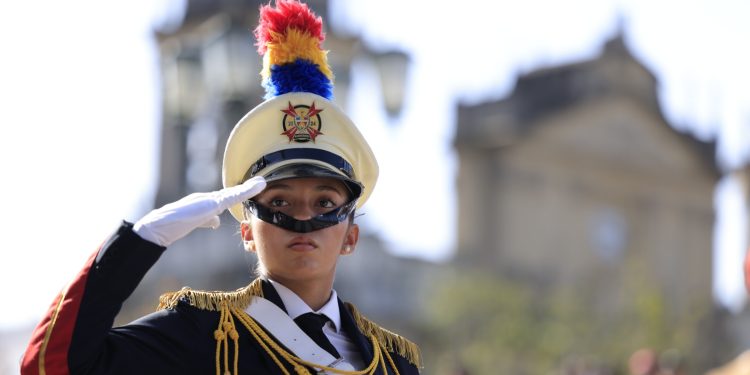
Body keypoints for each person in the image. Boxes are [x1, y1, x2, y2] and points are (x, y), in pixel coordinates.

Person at [20, 1, 421, 374]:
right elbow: (50, 365)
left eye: (324, 203)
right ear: (246, 231)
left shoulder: (392, 362)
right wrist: (140, 241)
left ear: (351, 235)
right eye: (279, 201)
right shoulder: (198, 333)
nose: (303, 217)